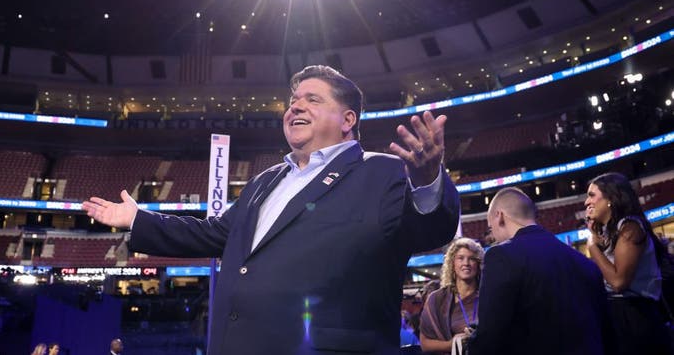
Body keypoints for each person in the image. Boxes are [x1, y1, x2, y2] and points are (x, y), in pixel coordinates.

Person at [83, 65, 460, 355]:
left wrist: (427, 180)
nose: (295, 105)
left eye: (313, 99)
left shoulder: (383, 171)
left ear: (348, 120)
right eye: (294, 99)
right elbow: (215, 234)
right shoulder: (265, 180)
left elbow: (431, 230)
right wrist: (137, 219)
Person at [468, 187, 611, 355]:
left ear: (499, 217)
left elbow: (490, 334)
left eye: (490, 229)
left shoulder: (500, 256)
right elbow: (605, 330)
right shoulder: (585, 263)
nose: (493, 236)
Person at [585, 172, 672, 355]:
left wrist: (592, 246)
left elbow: (618, 282)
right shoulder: (612, 232)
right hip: (621, 314)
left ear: (610, 198)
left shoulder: (630, 227)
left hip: (635, 316)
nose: (586, 202)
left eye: (592, 195)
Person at [419, 237, 484, 354]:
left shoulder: (488, 296)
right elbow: (425, 344)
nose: (466, 263)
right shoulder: (437, 299)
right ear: (452, 264)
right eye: (460, 258)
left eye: (472, 259)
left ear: (479, 264)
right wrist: (451, 344)